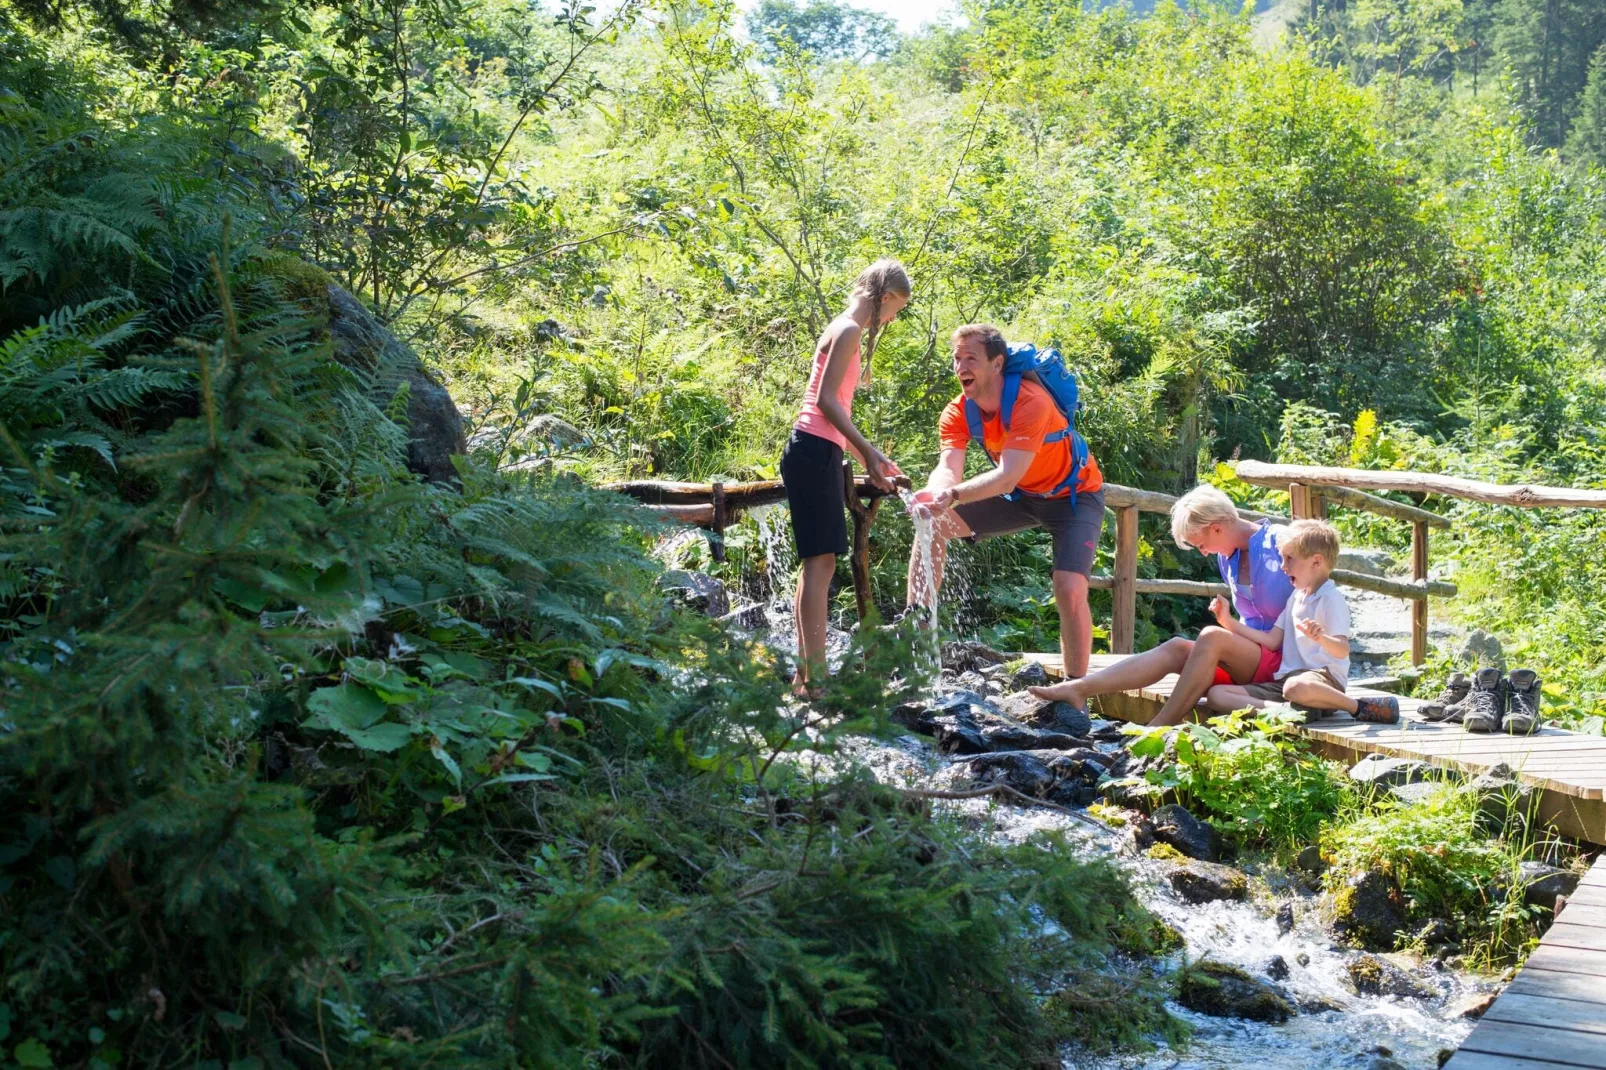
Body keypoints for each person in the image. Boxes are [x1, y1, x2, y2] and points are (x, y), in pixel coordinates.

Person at [906, 323, 1105, 680]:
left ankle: (1075, 693)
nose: (961, 367)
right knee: (931, 523)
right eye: (956, 359)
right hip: (1021, 497)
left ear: (997, 364)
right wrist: (934, 494)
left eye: (971, 358)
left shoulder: (1032, 402)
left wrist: (951, 496)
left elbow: (1006, 475)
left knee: (1069, 587)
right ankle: (916, 641)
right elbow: (948, 467)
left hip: (1073, 498)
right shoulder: (957, 412)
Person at [1027, 484, 1292, 726]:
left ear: (1217, 527)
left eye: (1201, 544)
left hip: (1286, 662)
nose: (1203, 552)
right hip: (1252, 658)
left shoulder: (1282, 541)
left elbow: (1316, 592)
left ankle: (1156, 728)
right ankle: (1079, 688)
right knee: (1177, 647)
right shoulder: (1228, 557)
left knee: (1212, 636)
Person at [780, 259, 911, 696]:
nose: (892, 320)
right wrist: (869, 451)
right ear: (885, 298)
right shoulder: (850, 330)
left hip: (816, 449)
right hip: (813, 448)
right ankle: (813, 679)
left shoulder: (842, 326)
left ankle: (806, 676)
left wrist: (870, 459)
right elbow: (824, 404)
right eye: (895, 312)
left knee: (817, 564)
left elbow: (834, 412)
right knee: (821, 564)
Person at [1204, 519, 1399, 723]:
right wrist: (1228, 621)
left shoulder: (1331, 598)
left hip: (1324, 681)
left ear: (1316, 561)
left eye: (1289, 559)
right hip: (1288, 684)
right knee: (1217, 695)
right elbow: (1271, 640)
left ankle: (1358, 707)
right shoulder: (1295, 597)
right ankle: (1287, 711)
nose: (1283, 566)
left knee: (1296, 688)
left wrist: (1321, 638)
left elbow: (1342, 649)